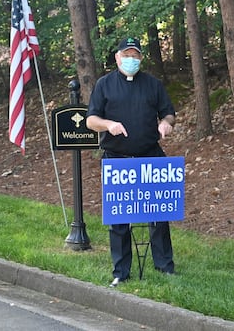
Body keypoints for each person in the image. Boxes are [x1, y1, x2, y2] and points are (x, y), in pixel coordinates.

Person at [87, 37, 176, 288]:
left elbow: (168, 112)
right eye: (127, 55)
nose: (131, 59)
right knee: (119, 219)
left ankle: (164, 266)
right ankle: (120, 271)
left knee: (159, 215)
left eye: (135, 55)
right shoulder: (104, 85)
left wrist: (166, 122)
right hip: (117, 160)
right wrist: (108, 125)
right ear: (117, 57)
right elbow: (91, 120)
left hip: (150, 156)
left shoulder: (153, 85)